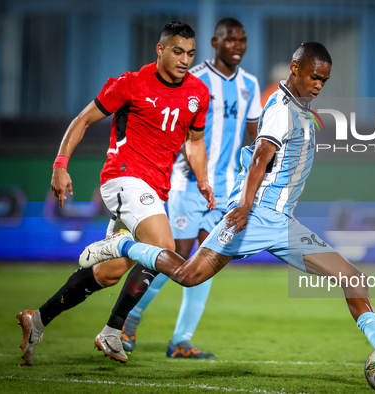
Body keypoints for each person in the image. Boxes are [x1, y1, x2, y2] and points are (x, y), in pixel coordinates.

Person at [81, 42, 375, 374]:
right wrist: (245, 205)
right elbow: (261, 157)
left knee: (353, 278)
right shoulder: (281, 109)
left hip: (281, 222)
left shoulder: (302, 108)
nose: (319, 85)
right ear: (295, 68)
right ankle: (121, 245)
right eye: (314, 76)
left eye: (324, 80)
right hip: (252, 217)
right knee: (189, 276)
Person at [16, 21, 214, 366]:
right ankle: (113, 331)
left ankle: (39, 318)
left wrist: (203, 179)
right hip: (123, 179)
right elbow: (82, 120)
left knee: (109, 273)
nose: (185, 59)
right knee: (164, 248)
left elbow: (194, 141)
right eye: (178, 51)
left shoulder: (198, 92)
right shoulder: (131, 84)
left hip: (156, 189)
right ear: (161, 49)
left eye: (191, 53)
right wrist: (60, 165)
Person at [120, 17, 262, 359]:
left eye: (242, 40)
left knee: (207, 259)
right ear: (215, 43)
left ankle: (181, 341)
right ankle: (127, 321)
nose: (238, 46)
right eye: (231, 40)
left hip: (227, 191)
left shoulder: (250, 85)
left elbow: (255, 136)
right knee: (176, 256)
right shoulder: (194, 77)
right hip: (188, 183)